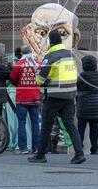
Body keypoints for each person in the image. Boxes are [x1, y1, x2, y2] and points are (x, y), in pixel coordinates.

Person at [29, 30, 84, 164]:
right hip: (70, 96)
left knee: (46, 126)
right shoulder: (69, 55)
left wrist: (40, 75)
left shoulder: (51, 56)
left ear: (50, 42)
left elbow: (40, 79)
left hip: (54, 96)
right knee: (70, 125)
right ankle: (79, 153)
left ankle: (40, 155)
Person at [10, 45, 41, 155]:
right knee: (35, 123)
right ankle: (36, 147)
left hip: (22, 98)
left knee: (21, 123)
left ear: (22, 53)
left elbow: (13, 80)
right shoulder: (38, 63)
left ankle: (23, 148)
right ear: (31, 51)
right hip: (35, 97)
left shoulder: (18, 65)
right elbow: (42, 78)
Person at [76, 55, 98, 155]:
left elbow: (77, 85)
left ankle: (79, 148)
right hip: (96, 106)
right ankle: (94, 149)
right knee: (94, 128)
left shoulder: (82, 75)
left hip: (84, 105)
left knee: (81, 128)